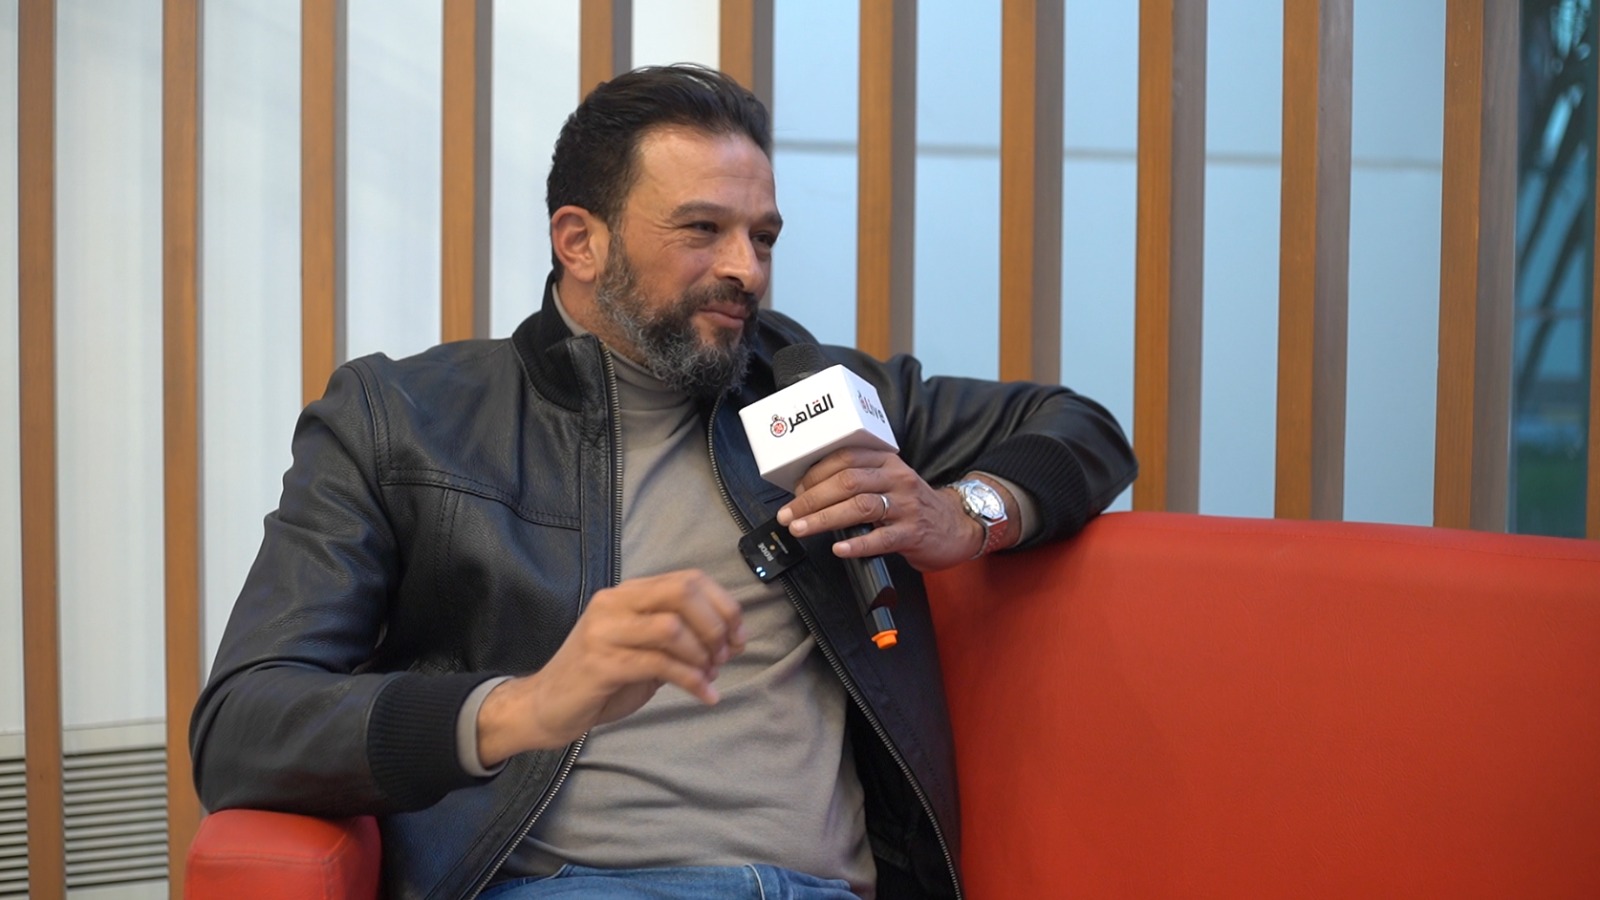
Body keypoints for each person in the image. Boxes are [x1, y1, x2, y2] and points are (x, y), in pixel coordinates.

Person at [191, 64, 1137, 900]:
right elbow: (243, 725)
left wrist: (965, 516)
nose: (745, 270)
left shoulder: (811, 389)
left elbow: (1083, 428)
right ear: (580, 241)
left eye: (762, 236)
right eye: (703, 230)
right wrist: (523, 707)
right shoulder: (402, 419)